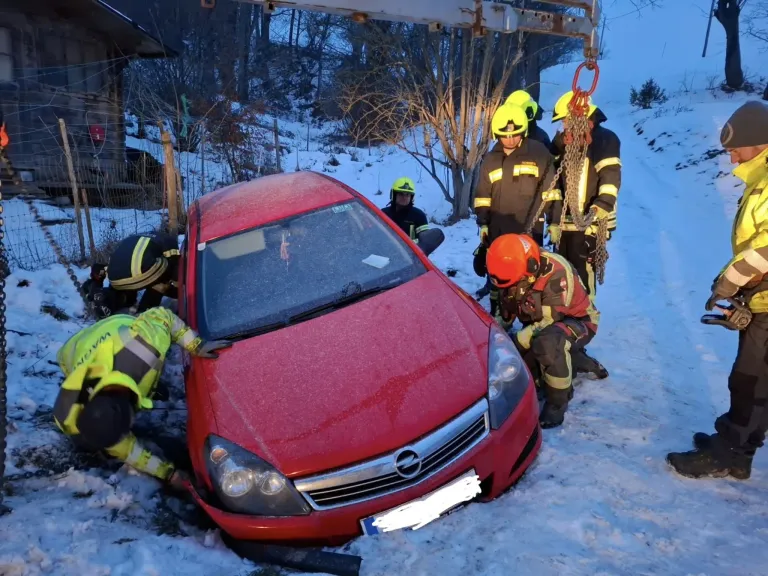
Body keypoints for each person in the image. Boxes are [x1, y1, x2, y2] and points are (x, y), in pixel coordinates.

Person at [667, 100, 768, 480]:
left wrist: (731, 279)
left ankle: (729, 454)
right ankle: (739, 451)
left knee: (750, 381)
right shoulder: (759, 181)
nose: (731, 157)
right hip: (762, 296)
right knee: (753, 379)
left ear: (760, 142)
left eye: (736, 149)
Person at [53, 307, 231, 487]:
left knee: (150, 376)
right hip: (73, 350)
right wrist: (168, 474)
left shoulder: (145, 346)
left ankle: (147, 388)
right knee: (89, 443)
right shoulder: (69, 414)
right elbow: (128, 451)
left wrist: (196, 345)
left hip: (119, 327)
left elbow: (164, 317)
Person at [485, 233, 602, 428]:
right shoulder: (509, 270)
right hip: (541, 323)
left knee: (547, 344)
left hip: (578, 322)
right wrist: (494, 334)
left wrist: (515, 343)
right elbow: (505, 308)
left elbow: (548, 321)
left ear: (531, 268)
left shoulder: (556, 271)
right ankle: (577, 360)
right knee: (522, 372)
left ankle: (558, 402)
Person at [473, 103, 561, 315]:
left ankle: (527, 316)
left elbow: (552, 192)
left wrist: (555, 221)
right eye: (505, 136)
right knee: (498, 275)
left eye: (515, 135)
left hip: (529, 231)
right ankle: (499, 313)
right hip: (499, 231)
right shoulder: (490, 160)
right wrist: (483, 223)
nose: (510, 140)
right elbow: (483, 196)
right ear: (497, 134)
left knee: (527, 277)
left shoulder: (539, 154)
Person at [549, 91, 622, 300]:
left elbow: (610, 175)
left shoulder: (604, 139)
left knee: (582, 273)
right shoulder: (566, 140)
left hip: (591, 221)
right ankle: (565, 311)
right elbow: (553, 169)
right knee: (562, 273)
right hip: (566, 222)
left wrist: (602, 205)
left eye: (565, 120)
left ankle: (585, 313)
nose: (563, 124)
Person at [86, 232, 182, 318]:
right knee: (162, 276)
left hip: (114, 274)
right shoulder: (169, 241)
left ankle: (106, 298)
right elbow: (174, 266)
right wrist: (175, 288)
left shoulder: (133, 237)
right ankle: (145, 311)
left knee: (126, 288)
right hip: (141, 271)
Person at [381, 177, 445, 256]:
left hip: (410, 257)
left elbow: (425, 242)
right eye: (401, 194)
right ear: (393, 194)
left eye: (407, 195)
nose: (404, 197)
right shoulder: (383, 213)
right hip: (384, 255)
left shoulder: (419, 215)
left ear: (412, 197)